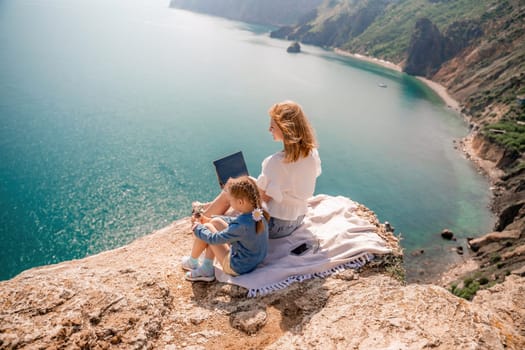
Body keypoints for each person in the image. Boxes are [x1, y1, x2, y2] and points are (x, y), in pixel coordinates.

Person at [195, 100, 321, 239]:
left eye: (272, 126)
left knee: (231, 188)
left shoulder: (275, 162)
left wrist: (236, 194)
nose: (269, 130)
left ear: (286, 129)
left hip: (276, 226)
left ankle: (200, 221)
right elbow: (289, 184)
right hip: (298, 217)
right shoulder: (311, 153)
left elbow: (259, 203)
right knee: (246, 181)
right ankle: (207, 208)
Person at [182, 176, 270, 282]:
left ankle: (193, 262)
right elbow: (234, 221)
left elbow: (214, 239)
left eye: (230, 201)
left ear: (241, 202)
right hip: (252, 260)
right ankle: (206, 266)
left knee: (207, 228)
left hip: (238, 267)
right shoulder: (258, 214)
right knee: (216, 222)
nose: (230, 203)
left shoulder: (241, 225)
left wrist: (197, 228)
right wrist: (208, 219)